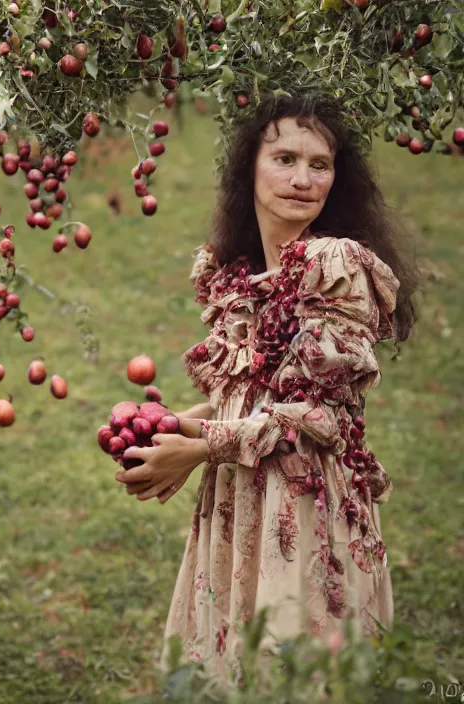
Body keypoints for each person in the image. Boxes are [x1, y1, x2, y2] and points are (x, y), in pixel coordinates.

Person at [114, 91, 421, 688]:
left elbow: (319, 415)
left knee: (296, 679)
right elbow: (251, 393)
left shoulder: (336, 265)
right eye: (284, 158)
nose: (303, 179)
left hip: (305, 509)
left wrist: (201, 447)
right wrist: (177, 427)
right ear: (247, 166)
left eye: (320, 164)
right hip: (238, 498)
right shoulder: (235, 272)